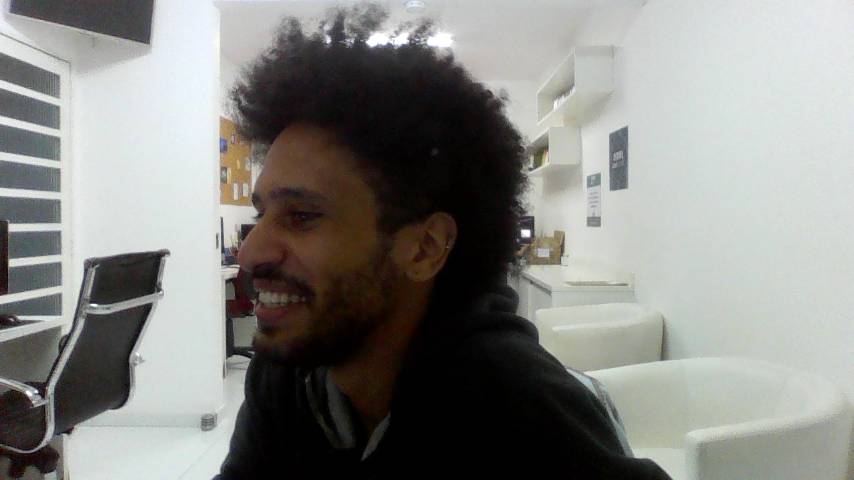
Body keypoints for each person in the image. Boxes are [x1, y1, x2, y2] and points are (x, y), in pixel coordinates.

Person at [217, 4, 671, 479]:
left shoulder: (524, 415)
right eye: (262, 213)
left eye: (302, 216)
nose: (250, 253)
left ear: (426, 247)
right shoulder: (288, 369)